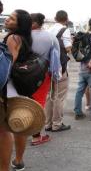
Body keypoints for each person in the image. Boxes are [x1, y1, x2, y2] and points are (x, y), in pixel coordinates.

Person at [2, 9, 34, 170]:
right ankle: (19, 160)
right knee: (18, 125)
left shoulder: (12, 38)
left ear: (19, 24)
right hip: (21, 86)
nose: (7, 20)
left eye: (12, 18)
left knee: (3, 130)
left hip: (8, 87)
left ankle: (4, 167)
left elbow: (8, 63)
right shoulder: (25, 38)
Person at [30, 13, 61, 146]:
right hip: (42, 73)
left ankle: (20, 128)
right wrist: (56, 76)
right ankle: (36, 136)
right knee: (39, 103)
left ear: (34, 23)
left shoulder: (21, 36)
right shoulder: (51, 37)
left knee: (23, 102)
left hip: (21, 74)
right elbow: (56, 58)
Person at [46, 10, 72, 132]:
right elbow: (67, 48)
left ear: (55, 18)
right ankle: (57, 123)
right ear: (66, 19)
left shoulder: (49, 30)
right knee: (59, 96)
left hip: (48, 67)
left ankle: (48, 123)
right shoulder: (65, 30)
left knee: (49, 95)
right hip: (60, 67)